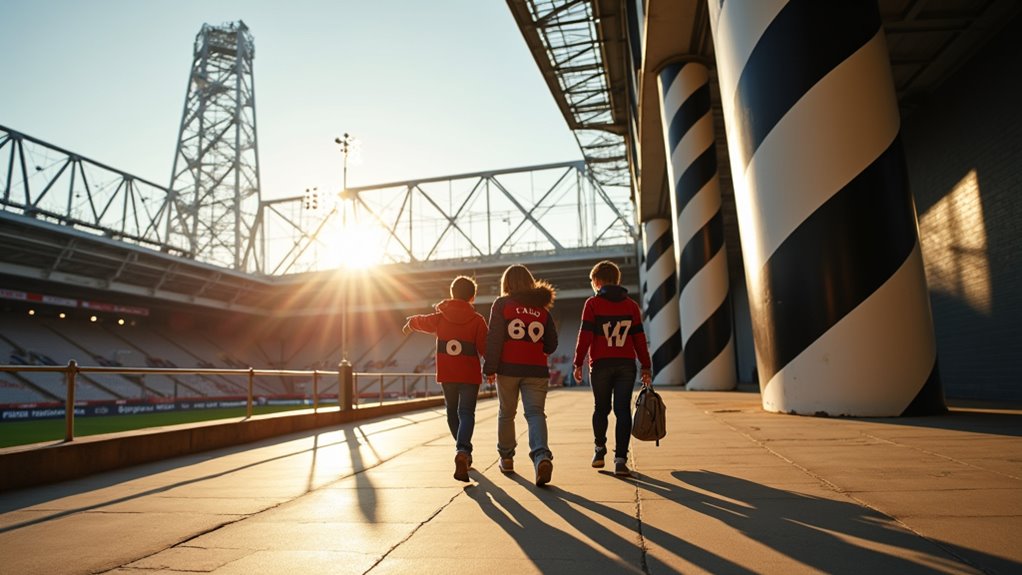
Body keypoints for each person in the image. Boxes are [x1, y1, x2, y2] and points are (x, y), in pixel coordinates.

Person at [403, 275, 488, 482]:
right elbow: (485, 348)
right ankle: (463, 450)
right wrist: (492, 369)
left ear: (452, 293)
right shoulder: (477, 320)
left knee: (452, 412)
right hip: (469, 375)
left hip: (448, 374)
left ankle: (463, 452)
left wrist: (410, 323)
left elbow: (422, 321)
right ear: (472, 297)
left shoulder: (440, 317)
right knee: (466, 413)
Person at [572, 260, 652, 477]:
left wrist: (578, 362)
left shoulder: (592, 304)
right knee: (623, 410)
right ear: (617, 280)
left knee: (601, 409)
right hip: (626, 364)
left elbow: (585, 336)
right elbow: (639, 339)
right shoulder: (631, 306)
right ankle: (620, 460)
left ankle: (599, 451)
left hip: (600, 365)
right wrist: (646, 366)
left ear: (597, 282)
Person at [483, 264, 558, 486]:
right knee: (535, 414)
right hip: (536, 370)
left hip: (508, 369)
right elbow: (552, 344)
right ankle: (541, 455)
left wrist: (490, 368)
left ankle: (506, 458)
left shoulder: (502, 305)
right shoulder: (542, 310)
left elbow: (495, 337)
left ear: (507, 283)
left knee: (507, 413)